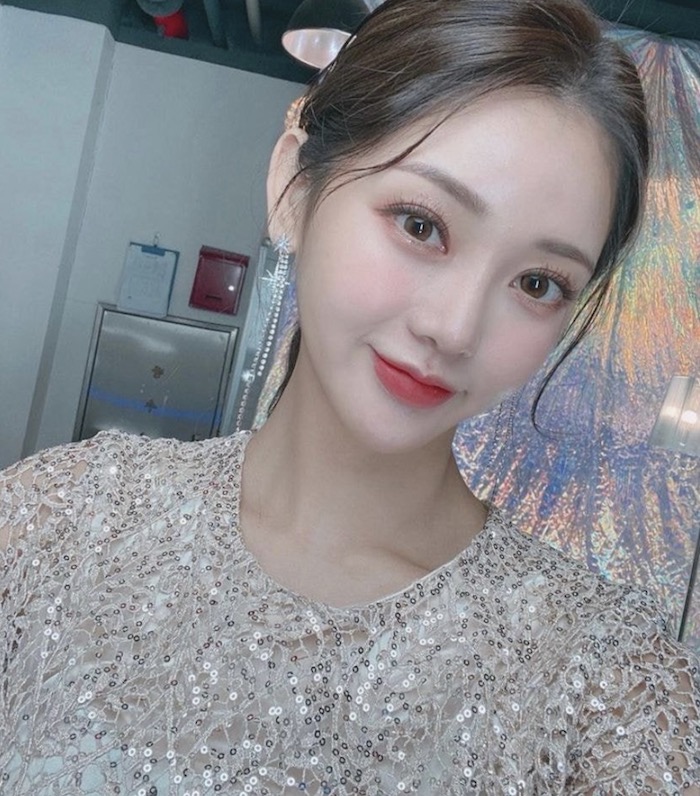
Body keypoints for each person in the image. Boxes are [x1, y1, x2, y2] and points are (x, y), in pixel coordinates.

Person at [1, 0, 698, 792]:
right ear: (295, 188)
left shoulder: (613, 698)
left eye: (537, 283)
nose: (453, 328)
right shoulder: (53, 528)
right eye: (421, 225)